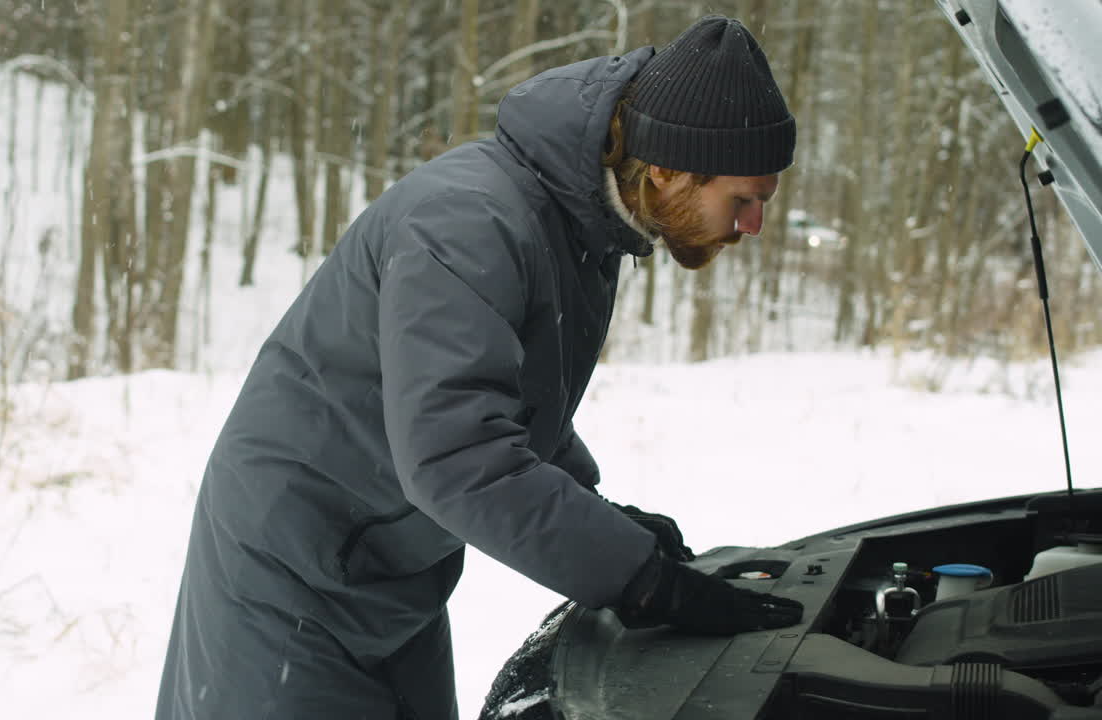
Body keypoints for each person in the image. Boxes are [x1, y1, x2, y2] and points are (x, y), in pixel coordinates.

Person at [156, 14, 804, 720]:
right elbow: (456, 457)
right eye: (744, 199)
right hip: (290, 579)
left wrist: (603, 521)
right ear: (668, 170)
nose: (751, 225)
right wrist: (639, 579)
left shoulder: (580, 223)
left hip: (388, 568)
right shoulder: (470, 220)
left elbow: (512, 409)